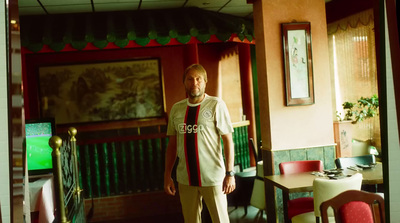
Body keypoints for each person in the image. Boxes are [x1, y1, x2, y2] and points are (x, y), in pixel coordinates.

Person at [164, 64, 236, 223]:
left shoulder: (216, 105)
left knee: (220, 220)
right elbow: (172, 145)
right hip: (185, 179)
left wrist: (230, 173)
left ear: (205, 82)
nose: (194, 83)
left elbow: (228, 141)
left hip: (213, 178)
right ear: (184, 82)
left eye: (198, 79)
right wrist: (167, 175)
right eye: (190, 79)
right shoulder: (177, 109)